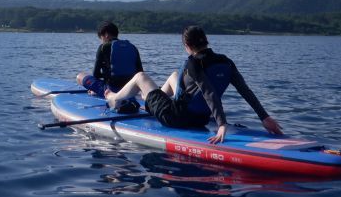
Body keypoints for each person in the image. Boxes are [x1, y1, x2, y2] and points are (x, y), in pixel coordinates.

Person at [104, 26, 283, 144]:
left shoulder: (193, 63)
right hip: (200, 119)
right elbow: (245, 91)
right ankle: (151, 102)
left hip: (176, 118)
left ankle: (114, 98)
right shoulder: (226, 62)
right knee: (175, 75)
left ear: (187, 45)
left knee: (140, 77)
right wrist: (264, 117)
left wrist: (222, 125)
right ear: (206, 41)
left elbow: (209, 92)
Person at [76, 21, 143, 102]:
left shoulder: (103, 47)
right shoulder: (132, 47)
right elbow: (140, 73)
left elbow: (96, 74)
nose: (102, 40)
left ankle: (97, 92)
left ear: (106, 35)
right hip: (129, 91)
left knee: (80, 76)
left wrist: (108, 76)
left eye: (101, 37)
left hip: (111, 90)